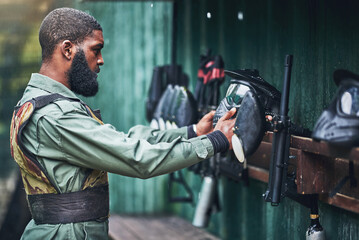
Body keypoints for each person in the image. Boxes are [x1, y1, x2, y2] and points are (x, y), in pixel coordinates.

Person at [10, 7, 236, 239]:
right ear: (67, 49)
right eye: (95, 50)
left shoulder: (37, 103)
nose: (101, 60)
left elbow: (121, 141)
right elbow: (135, 157)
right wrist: (215, 141)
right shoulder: (55, 114)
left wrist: (194, 131)